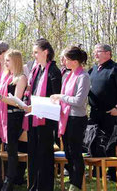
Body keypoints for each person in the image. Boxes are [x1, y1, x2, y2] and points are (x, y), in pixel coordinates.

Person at [22, 38, 62, 191]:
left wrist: (39, 105)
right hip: (33, 117)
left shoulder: (54, 71)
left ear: (46, 52)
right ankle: (33, 186)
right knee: (33, 154)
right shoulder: (36, 70)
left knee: (44, 155)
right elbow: (31, 91)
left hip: (46, 119)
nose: (34, 56)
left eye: (36, 52)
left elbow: (55, 97)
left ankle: (44, 187)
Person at [50, 46, 90, 190]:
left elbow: (79, 101)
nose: (63, 62)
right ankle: (73, 180)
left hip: (76, 119)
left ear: (74, 61)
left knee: (75, 152)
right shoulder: (68, 75)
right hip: (65, 118)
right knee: (67, 152)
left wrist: (61, 97)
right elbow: (66, 98)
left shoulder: (83, 76)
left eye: (66, 59)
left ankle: (76, 184)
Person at [0, 50, 27, 191]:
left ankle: (9, 182)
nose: (5, 63)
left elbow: (17, 101)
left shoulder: (21, 77)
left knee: (11, 150)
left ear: (15, 61)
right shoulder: (6, 76)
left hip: (12, 116)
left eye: (8, 60)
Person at [88, 43, 117, 181]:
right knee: (94, 141)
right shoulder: (93, 70)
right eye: (95, 51)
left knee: (110, 143)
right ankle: (97, 171)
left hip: (111, 113)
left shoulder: (115, 69)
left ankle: (112, 173)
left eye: (98, 51)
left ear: (108, 53)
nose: (95, 54)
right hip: (95, 113)